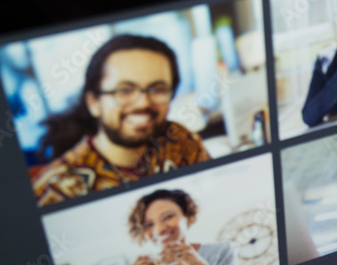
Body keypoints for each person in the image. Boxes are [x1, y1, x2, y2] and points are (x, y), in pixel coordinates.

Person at [33, 34, 211, 207]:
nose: (143, 103)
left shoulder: (180, 141)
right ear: (94, 102)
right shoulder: (57, 189)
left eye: (157, 89)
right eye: (125, 90)